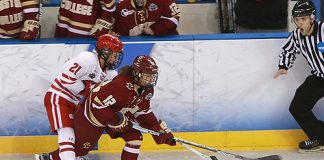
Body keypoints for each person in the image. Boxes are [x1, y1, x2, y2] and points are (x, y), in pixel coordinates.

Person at [37, 55, 176, 160]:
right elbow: (97, 105)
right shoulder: (121, 85)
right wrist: (116, 121)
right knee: (80, 150)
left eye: (152, 76)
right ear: (136, 73)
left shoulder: (147, 91)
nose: (150, 79)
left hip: (113, 116)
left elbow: (143, 112)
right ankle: (50, 158)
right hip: (91, 115)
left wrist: (158, 130)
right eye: (147, 76)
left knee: (135, 137)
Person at [35, 34, 124, 160]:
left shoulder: (110, 74)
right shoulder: (88, 59)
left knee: (78, 142)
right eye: (114, 53)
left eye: (117, 54)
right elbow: (66, 77)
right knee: (67, 136)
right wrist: (85, 89)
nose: (116, 58)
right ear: (104, 51)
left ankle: (49, 158)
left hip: (75, 103)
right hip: (59, 97)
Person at [273, 0, 324, 152]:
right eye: (297, 19)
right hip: (318, 78)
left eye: (303, 19)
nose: (300, 23)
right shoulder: (296, 35)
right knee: (297, 107)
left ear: (312, 17)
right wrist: (283, 66)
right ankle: (320, 137)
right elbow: (288, 50)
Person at [113, 0, 180, 36]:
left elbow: (175, 19)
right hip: (134, 48)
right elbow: (116, 35)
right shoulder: (121, 7)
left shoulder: (164, 1)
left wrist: (154, 29)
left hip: (165, 46)